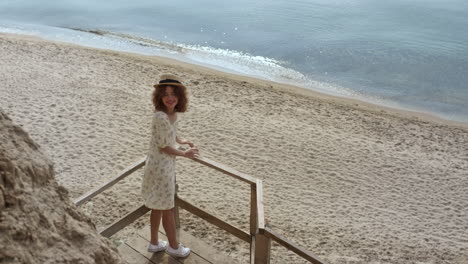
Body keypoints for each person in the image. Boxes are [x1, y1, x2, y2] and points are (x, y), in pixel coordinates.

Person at [141, 74, 199, 258]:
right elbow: (164, 146)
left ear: (180, 96)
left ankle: (154, 243)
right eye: (165, 94)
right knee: (167, 208)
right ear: (159, 96)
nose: (169, 97)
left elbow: (170, 135)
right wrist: (184, 153)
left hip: (160, 166)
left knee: (158, 206)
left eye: (173, 93)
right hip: (160, 168)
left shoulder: (171, 114)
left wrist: (182, 140)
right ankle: (174, 246)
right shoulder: (160, 116)